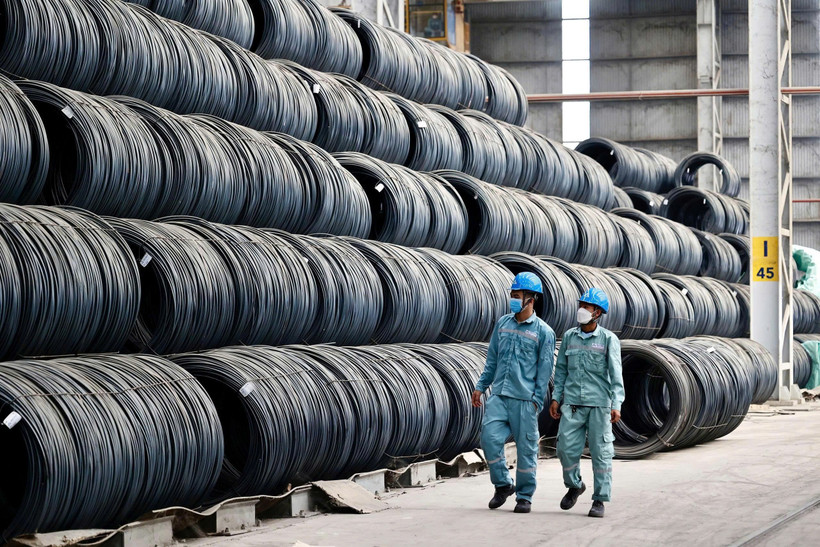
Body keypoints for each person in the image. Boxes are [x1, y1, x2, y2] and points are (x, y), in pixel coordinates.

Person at [471, 272, 556, 514]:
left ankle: (524, 496)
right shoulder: (503, 324)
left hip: (525, 399)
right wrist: (481, 386)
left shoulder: (544, 332)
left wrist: (536, 401)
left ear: (531, 298)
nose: (513, 299)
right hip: (499, 395)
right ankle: (503, 485)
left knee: (526, 449)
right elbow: (492, 359)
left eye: (517, 295)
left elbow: (544, 371)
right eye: (512, 295)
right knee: (489, 439)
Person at [549, 288, 625, 519]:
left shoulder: (608, 339)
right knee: (565, 449)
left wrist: (616, 403)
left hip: (599, 405)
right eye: (581, 305)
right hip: (572, 403)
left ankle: (600, 499)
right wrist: (556, 397)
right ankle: (575, 485)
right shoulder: (569, 337)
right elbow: (561, 371)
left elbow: (616, 375)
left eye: (587, 306)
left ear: (597, 313)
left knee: (601, 453)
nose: (581, 309)